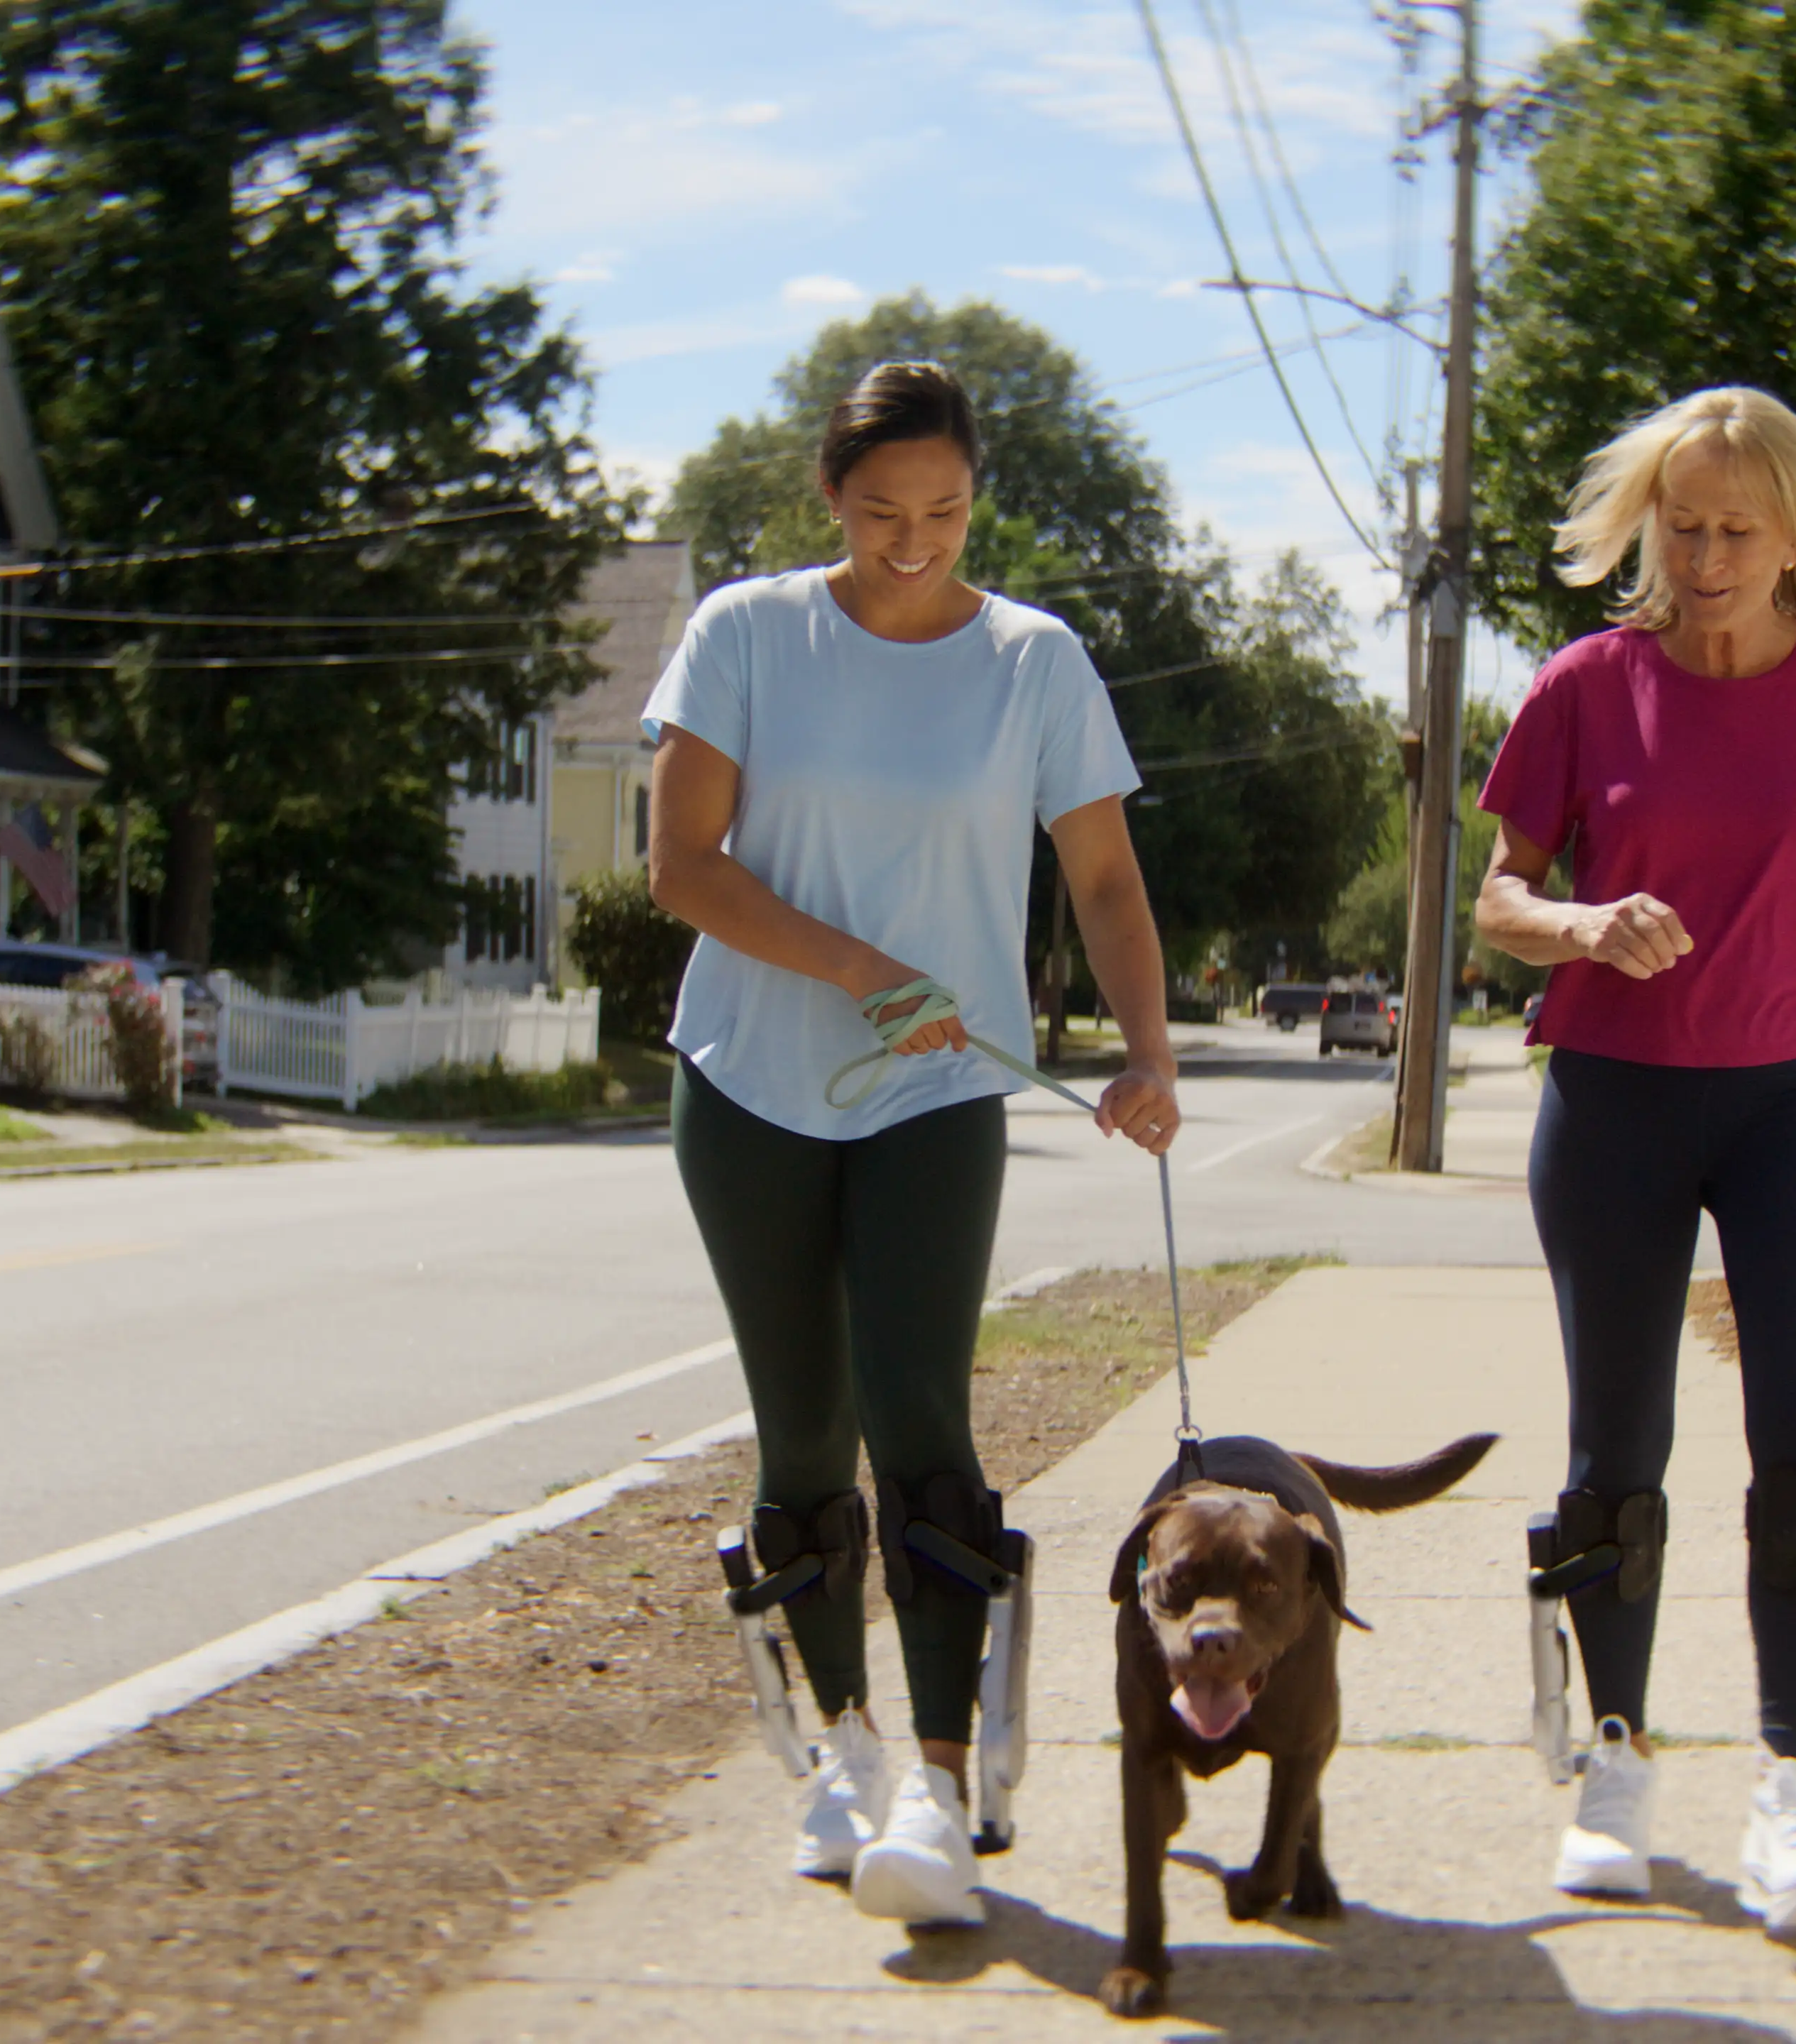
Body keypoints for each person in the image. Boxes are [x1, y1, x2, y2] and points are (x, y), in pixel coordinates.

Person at [644, 359, 1183, 1928]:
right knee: (801, 1434)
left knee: (917, 1419)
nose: (912, 541)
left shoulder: (1033, 661)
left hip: (937, 1099)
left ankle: (943, 1794)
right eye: (882, 512)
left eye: (943, 511)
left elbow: (1104, 884)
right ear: (831, 497)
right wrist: (861, 969)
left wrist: (1147, 1051)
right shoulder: (746, 632)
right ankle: (841, 1750)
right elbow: (682, 866)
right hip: (750, 1078)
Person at [1472, 385, 1796, 1930]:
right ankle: (1616, 1766)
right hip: (1616, 1102)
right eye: (1680, 527)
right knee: (1614, 1447)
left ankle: (1790, 1784)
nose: (1701, 558)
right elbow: (1503, 897)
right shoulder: (1583, 688)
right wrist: (1582, 924)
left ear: (1793, 539)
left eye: (1732, 531)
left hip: (1793, 1110)